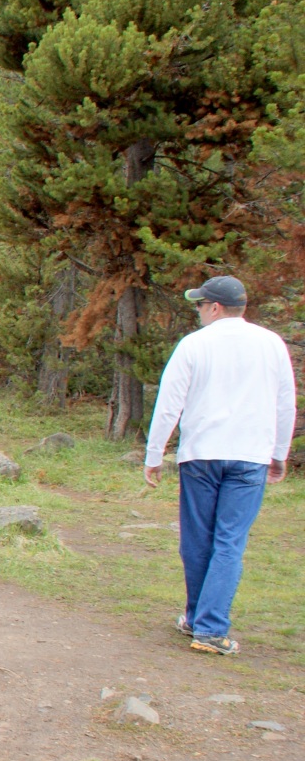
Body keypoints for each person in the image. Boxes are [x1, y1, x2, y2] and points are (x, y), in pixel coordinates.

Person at [144, 275, 296, 656]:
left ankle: (201, 621)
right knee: (229, 541)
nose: (198, 311)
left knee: (197, 539)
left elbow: (169, 402)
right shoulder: (271, 344)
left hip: (201, 453)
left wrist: (154, 454)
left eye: (199, 305)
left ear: (214, 307)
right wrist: (279, 453)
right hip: (250, 456)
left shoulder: (194, 344)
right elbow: (285, 403)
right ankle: (207, 624)